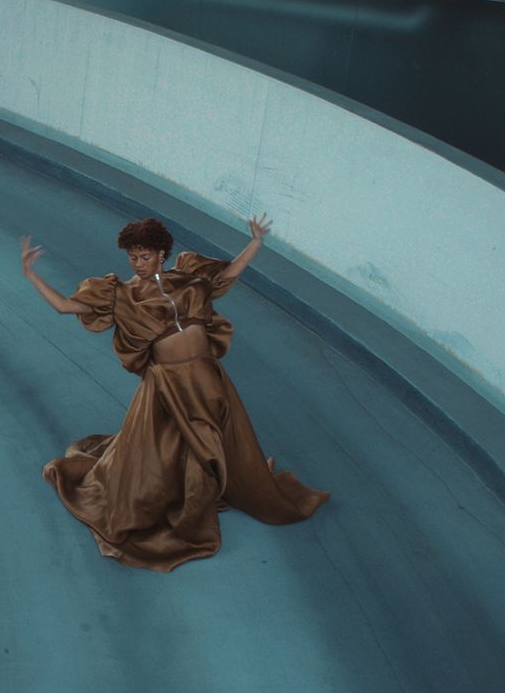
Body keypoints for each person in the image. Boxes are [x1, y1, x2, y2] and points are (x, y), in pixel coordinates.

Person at [19, 215, 328, 572]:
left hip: (207, 375)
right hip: (166, 383)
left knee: (216, 438)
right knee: (163, 451)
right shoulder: (122, 293)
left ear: (162, 253)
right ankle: (182, 504)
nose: (138, 263)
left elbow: (227, 276)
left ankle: (208, 487)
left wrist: (256, 244)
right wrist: (32, 276)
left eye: (145, 256)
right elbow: (66, 307)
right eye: (133, 257)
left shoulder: (189, 278)